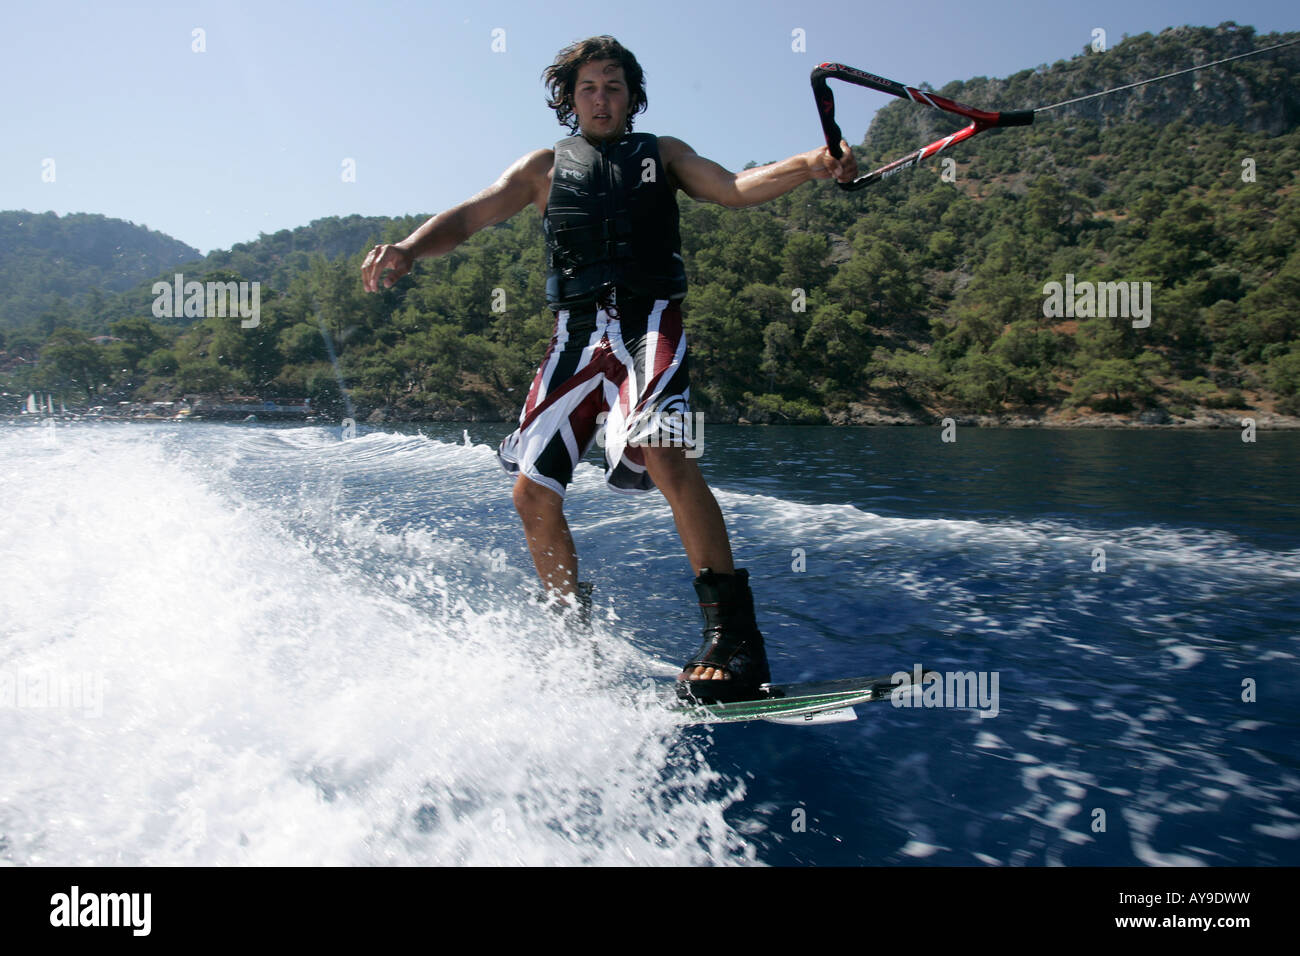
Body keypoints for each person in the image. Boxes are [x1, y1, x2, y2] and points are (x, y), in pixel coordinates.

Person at [362, 36, 858, 702]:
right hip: (574, 338)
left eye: (615, 86)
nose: (602, 98)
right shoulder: (542, 167)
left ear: (632, 97)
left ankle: (735, 641)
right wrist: (411, 248)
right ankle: (572, 638)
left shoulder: (666, 153)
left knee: (664, 448)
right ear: (570, 98)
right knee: (531, 492)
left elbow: (736, 188)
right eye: (589, 87)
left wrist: (809, 163)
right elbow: (472, 216)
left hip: (647, 326)